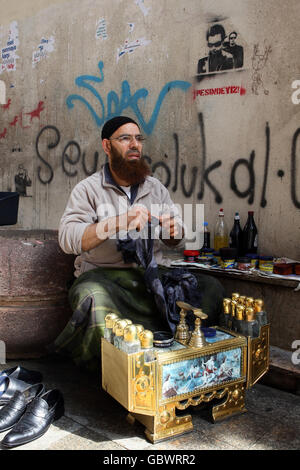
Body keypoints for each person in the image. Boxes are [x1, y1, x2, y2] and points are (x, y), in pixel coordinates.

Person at [53, 116, 225, 371]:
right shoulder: (87, 189)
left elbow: (174, 239)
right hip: (106, 279)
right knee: (91, 297)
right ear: (107, 146)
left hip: (149, 278)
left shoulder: (155, 188)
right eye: (125, 138)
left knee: (210, 287)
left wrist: (173, 230)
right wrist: (117, 222)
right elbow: (68, 239)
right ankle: (118, 373)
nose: (135, 145)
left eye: (138, 139)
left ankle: (182, 359)